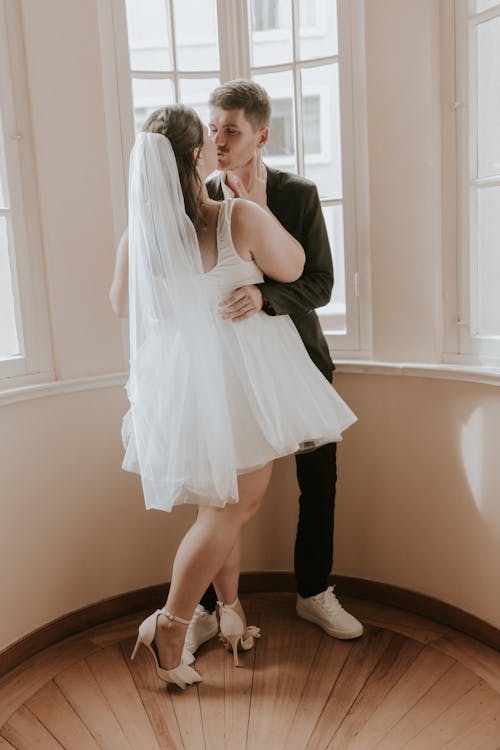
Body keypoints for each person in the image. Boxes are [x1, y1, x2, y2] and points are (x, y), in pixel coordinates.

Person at [110, 103, 356, 688]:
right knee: (233, 508)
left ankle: (228, 610)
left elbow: (124, 305)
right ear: (196, 157)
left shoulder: (141, 238)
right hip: (243, 384)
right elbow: (295, 266)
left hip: (187, 387)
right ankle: (171, 624)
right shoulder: (236, 217)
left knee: (217, 504)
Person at [184, 80, 363, 663]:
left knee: (319, 482)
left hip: (302, 365)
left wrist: (264, 297)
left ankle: (314, 591)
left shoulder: (299, 194)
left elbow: (320, 283)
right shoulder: (194, 197)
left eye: (231, 129)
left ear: (262, 135)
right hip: (227, 374)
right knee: (221, 490)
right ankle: (212, 608)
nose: (219, 139)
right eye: (213, 128)